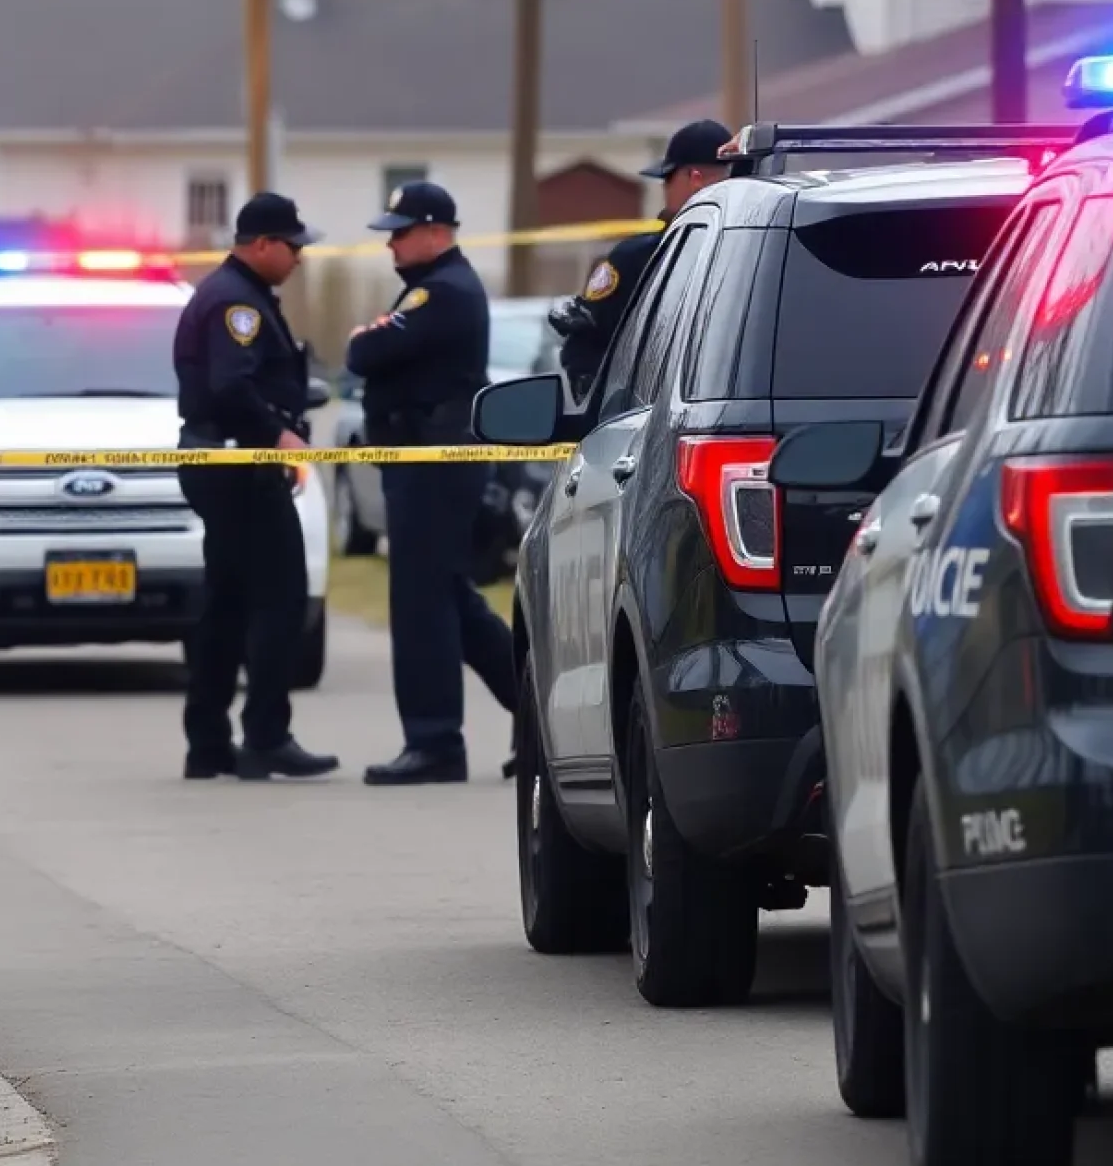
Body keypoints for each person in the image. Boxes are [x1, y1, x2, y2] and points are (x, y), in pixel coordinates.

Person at [346, 180, 518, 785]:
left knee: (422, 604)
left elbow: (365, 356)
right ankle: (536, 715)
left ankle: (434, 741)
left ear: (436, 232)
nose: (390, 244)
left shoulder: (442, 293)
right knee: (451, 600)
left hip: (432, 461)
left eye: (400, 232)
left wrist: (365, 337)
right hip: (424, 461)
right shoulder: (434, 289)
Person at [173, 192, 340, 782]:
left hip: (227, 467)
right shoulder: (233, 304)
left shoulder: (238, 296)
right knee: (280, 598)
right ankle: (265, 736)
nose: (299, 257)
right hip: (239, 466)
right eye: (292, 246)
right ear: (262, 244)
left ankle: (209, 743)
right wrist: (279, 435)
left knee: (227, 604)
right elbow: (230, 387)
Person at [552, 118, 738, 398]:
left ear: (694, 178)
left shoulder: (640, 259)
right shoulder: (762, 254)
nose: (664, 191)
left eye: (667, 179)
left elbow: (585, 353)